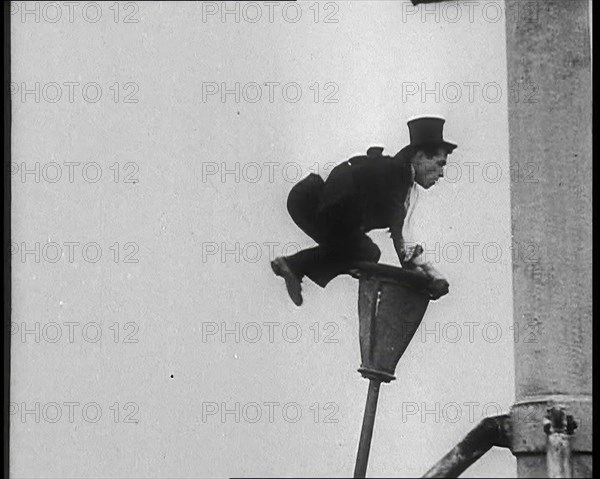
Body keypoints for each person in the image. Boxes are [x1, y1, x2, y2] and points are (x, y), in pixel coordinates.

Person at [271, 115, 457, 306]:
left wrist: (427, 276)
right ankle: (293, 265)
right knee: (363, 251)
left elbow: (404, 245)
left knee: (364, 251)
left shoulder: (403, 181)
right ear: (419, 157)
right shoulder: (397, 175)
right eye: (439, 163)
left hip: (315, 202)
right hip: (310, 200)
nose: (442, 173)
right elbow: (403, 241)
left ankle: (293, 265)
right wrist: (431, 276)